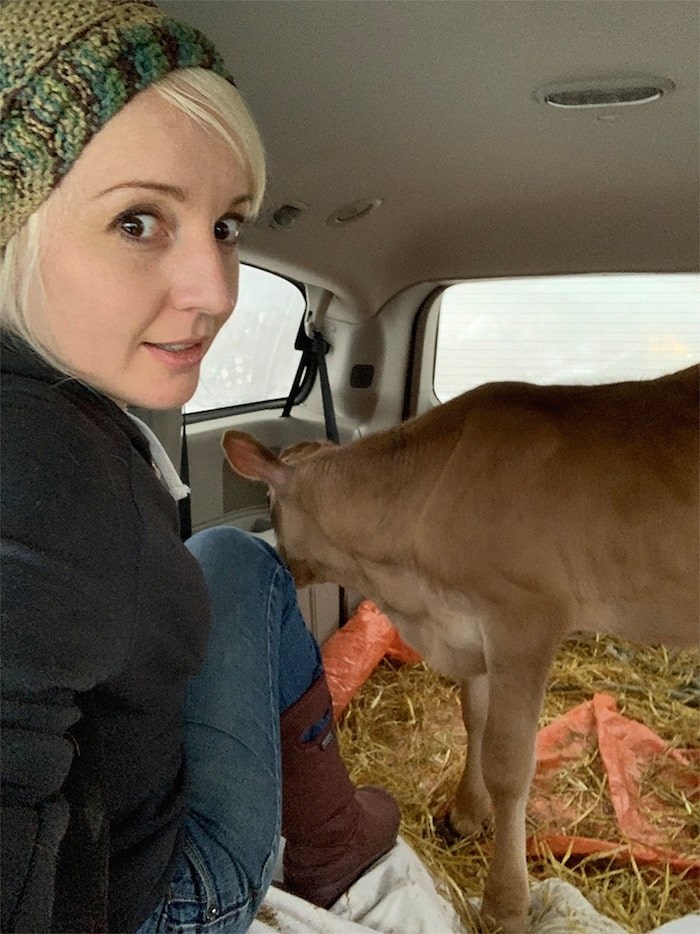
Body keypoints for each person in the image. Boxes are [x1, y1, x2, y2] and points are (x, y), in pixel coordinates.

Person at [0, 1, 400, 931]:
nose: (217, 292)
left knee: (227, 554)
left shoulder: (67, 413)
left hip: (113, 792)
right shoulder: (36, 460)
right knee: (249, 564)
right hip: (161, 893)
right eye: (138, 221)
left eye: (225, 226)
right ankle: (330, 838)